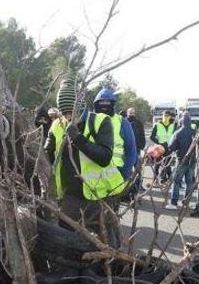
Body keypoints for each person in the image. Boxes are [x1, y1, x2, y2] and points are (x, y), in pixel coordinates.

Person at [45, 79, 120, 246]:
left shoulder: (100, 121)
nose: (68, 116)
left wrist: (78, 138)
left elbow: (104, 157)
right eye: (64, 112)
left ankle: (112, 267)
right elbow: (47, 155)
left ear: (81, 106)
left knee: (107, 242)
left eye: (71, 111)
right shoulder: (57, 125)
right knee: (67, 241)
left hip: (100, 196)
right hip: (70, 197)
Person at [92, 89, 136, 193]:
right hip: (92, 173)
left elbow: (131, 150)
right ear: (96, 104)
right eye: (101, 102)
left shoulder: (122, 122)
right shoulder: (89, 120)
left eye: (107, 102)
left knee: (112, 206)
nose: (104, 105)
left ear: (112, 104)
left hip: (115, 172)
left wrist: (125, 174)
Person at [164, 111, 196, 209]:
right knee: (189, 182)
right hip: (192, 161)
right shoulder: (195, 132)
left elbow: (171, 147)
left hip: (181, 160)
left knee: (176, 181)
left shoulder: (178, 132)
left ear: (181, 120)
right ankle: (186, 202)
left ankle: (174, 203)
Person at [123, 107, 146, 200]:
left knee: (137, 170)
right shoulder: (123, 122)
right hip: (125, 151)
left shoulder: (139, 123)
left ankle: (138, 187)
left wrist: (141, 146)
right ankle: (126, 191)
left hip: (136, 150)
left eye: (133, 113)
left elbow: (142, 135)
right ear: (127, 113)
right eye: (130, 112)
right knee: (127, 170)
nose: (131, 114)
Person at [150, 110, 176, 184]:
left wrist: (173, 145)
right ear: (162, 116)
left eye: (167, 116)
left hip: (168, 148)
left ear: (170, 117)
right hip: (159, 148)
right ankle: (155, 180)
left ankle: (165, 179)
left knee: (167, 165)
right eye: (164, 115)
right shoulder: (157, 125)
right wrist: (158, 143)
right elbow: (151, 137)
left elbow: (175, 137)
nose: (166, 117)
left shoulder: (173, 125)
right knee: (157, 165)